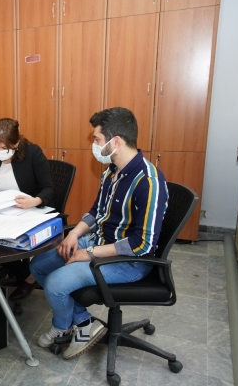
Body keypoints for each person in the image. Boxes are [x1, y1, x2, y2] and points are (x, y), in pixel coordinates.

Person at [30, 107, 168, 360]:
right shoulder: (111, 171)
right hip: (100, 241)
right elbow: (97, 212)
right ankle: (83, 321)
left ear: (116, 142)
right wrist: (75, 234)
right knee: (39, 265)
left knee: (55, 284)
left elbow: (143, 244)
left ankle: (69, 326)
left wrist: (90, 253)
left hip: (129, 261)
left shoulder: (148, 181)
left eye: (97, 139)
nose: (94, 145)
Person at [0, 118, 54, 298]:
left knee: (0, 243)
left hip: (27, 212)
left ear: (16, 143)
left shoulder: (33, 153)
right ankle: (25, 274)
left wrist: (34, 201)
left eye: (4, 148)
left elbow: (49, 188)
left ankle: (29, 278)